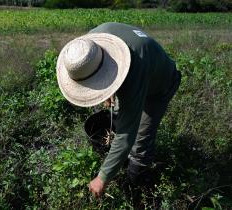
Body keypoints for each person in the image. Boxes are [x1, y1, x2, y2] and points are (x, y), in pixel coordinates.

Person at [56, 22, 181, 197]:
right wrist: (107, 87)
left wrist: (102, 177)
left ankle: (138, 187)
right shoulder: (90, 46)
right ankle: (121, 161)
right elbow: (103, 66)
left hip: (160, 86)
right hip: (141, 68)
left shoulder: (134, 73)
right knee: (123, 117)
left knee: (140, 141)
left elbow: (125, 135)